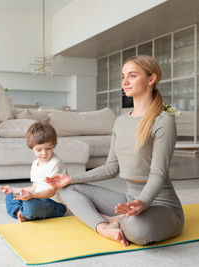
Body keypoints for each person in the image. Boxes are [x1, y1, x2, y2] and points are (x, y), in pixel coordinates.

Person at [45, 55, 184, 246]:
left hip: (161, 204)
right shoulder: (121, 122)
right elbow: (111, 168)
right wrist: (71, 178)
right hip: (130, 199)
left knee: (138, 231)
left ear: (151, 79)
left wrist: (142, 202)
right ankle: (104, 226)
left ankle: (116, 220)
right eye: (122, 76)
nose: (125, 82)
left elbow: (158, 174)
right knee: (68, 189)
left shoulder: (163, 121)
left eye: (132, 76)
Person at [0, 122, 67, 222]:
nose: (44, 153)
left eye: (48, 148)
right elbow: (34, 188)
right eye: (39, 150)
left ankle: (25, 212)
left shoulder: (56, 163)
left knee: (31, 205)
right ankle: (21, 213)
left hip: (55, 204)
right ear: (32, 148)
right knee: (11, 197)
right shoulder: (35, 164)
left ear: (54, 145)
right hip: (37, 198)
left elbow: (51, 192)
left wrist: (32, 196)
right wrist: (13, 190)